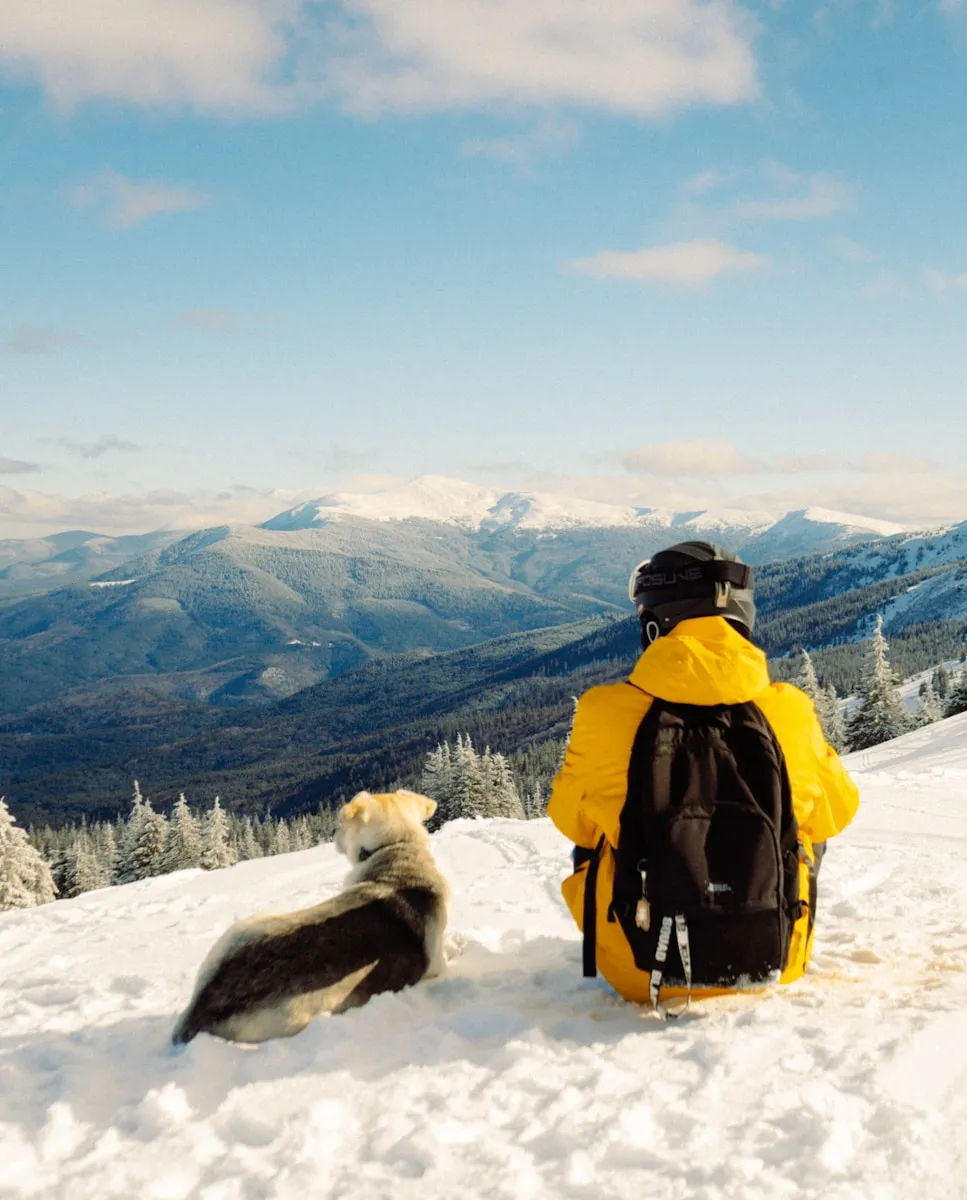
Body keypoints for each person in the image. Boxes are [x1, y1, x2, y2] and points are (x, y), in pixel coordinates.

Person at [547, 541, 859, 1011]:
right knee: (806, 826)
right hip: (777, 960)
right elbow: (839, 810)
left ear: (657, 623)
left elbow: (570, 820)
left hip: (639, 971)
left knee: (597, 833)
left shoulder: (604, 712)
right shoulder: (790, 709)